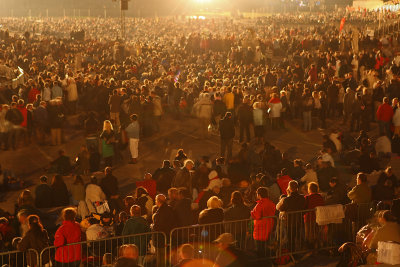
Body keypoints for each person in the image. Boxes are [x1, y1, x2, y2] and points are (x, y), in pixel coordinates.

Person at [152, 194, 177, 267]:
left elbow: (157, 227)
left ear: (158, 201)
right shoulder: (170, 209)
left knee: (161, 259)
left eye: (156, 200)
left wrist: (152, 226)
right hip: (170, 237)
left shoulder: (159, 213)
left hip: (161, 240)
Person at [251, 187, 276, 256]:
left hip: (260, 228)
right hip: (269, 225)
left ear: (259, 195)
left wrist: (252, 212)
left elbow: (257, 216)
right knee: (267, 246)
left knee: (260, 248)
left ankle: (261, 262)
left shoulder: (260, 204)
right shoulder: (271, 203)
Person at [303, 183, 325, 248]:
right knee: (317, 232)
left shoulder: (307, 197)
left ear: (309, 189)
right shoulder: (320, 197)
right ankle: (317, 246)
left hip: (309, 217)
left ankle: (310, 247)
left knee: (309, 233)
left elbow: (304, 207)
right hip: (319, 217)